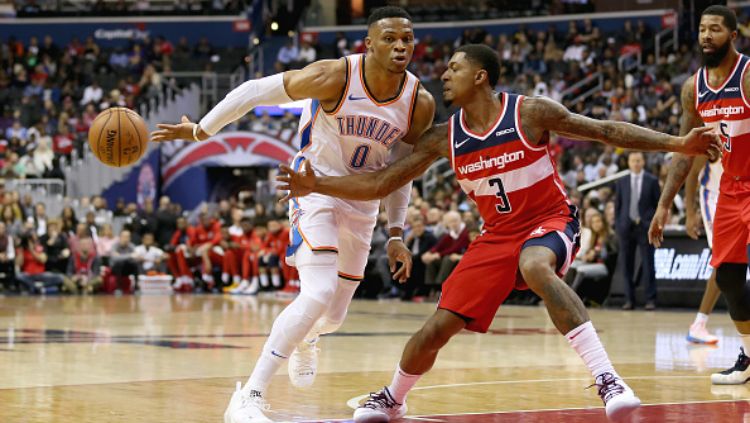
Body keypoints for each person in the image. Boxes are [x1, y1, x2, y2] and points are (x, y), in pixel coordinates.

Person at [277, 44, 720, 421]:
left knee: (536, 266)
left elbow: (604, 131)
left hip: (550, 220)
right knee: (437, 328)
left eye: (455, 68)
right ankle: (393, 397)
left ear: (481, 76)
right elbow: (379, 184)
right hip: (496, 235)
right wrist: (318, 185)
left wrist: (678, 143)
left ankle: (608, 380)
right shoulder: (443, 137)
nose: (444, 75)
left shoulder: (529, 112)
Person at [151, 6, 436, 422]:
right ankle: (248, 396)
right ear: (369, 43)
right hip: (312, 188)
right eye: (390, 38)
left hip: (363, 200)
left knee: (333, 317)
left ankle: (309, 337)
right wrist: (201, 130)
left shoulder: (419, 102)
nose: (400, 46)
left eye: (407, 40)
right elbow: (252, 90)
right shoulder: (334, 76)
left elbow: (402, 172)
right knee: (316, 293)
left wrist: (395, 233)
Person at [649, 5, 750, 384]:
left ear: (733, 36)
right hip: (730, 187)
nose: (706, 36)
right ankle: (748, 356)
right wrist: (664, 205)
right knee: (726, 277)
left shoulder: (747, 75)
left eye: (716, 30)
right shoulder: (694, 88)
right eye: (702, 29)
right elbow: (683, 150)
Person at [614, 151, 660, 310]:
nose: (636, 163)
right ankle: (629, 300)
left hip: (645, 227)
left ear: (643, 162)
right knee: (626, 266)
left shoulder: (652, 180)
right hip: (626, 228)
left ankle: (650, 300)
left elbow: (657, 205)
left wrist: (654, 225)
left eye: (638, 160)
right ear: (628, 163)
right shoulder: (621, 182)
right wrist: (618, 225)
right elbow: (618, 206)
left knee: (648, 264)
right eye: (633, 160)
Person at [683, 154, 721, 344]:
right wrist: (690, 213)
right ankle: (699, 325)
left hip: (741, 196)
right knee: (722, 262)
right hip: (714, 198)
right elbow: (692, 175)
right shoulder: (713, 134)